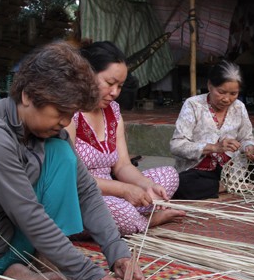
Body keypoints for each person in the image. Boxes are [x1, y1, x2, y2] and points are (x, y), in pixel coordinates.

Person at [0, 41, 144, 280]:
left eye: (72, 114)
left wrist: (117, 251)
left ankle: (40, 258)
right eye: (61, 113)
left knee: (61, 155)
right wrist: (87, 275)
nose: (65, 123)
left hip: (14, 240)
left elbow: (87, 192)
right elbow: (30, 215)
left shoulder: (48, 132)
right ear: (29, 96)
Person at [66, 41, 185, 236]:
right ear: (86, 74)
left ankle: (124, 221)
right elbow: (71, 178)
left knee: (169, 176)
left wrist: (146, 186)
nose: (114, 93)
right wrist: (123, 190)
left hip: (114, 194)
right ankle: (145, 222)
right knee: (121, 212)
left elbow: (122, 166)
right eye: (109, 83)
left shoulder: (113, 111)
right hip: (81, 195)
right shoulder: (69, 114)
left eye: (119, 86)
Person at [171, 60, 254, 200]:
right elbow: (177, 145)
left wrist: (249, 148)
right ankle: (227, 186)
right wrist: (213, 147)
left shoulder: (239, 107)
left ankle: (229, 184)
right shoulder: (193, 105)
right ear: (209, 86)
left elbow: (246, 137)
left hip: (233, 169)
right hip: (198, 171)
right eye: (221, 92)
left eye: (233, 93)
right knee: (181, 185)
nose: (227, 99)